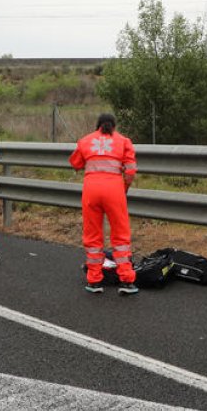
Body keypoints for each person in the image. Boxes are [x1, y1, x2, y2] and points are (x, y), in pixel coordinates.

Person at [69, 113, 138, 295]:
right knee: (121, 235)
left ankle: (94, 281)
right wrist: (124, 188)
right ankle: (126, 281)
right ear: (113, 126)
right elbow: (130, 171)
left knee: (92, 235)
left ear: (97, 125)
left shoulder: (85, 141)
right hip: (114, 189)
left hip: (91, 190)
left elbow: (75, 163)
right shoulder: (124, 141)